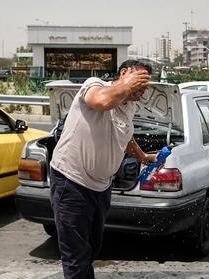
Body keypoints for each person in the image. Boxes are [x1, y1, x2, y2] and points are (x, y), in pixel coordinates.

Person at [50, 60, 156, 279]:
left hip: (100, 187)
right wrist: (127, 85)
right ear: (124, 73)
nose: (144, 85)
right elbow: (103, 101)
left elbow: (125, 137)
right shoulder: (94, 85)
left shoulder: (130, 106)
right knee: (76, 257)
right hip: (72, 183)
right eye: (140, 78)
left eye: (147, 82)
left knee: (92, 248)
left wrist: (143, 156)